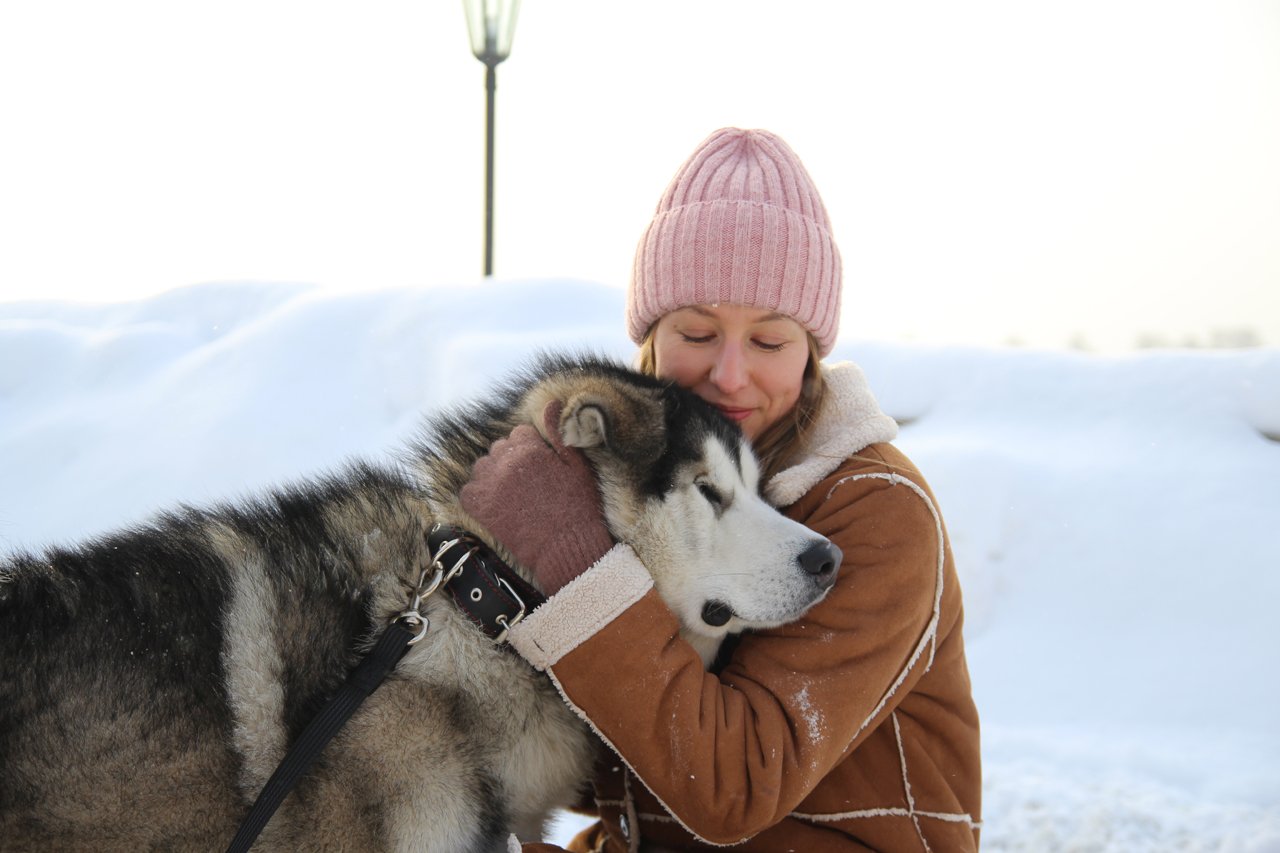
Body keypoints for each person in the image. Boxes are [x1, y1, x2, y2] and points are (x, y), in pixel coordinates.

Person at [462, 128, 982, 851]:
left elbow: (733, 786)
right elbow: (602, 766)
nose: (730, 375)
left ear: (811, 354)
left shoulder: (877, 511)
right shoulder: (636, 485)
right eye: (698, 334)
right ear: (650, 339)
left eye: (769, 342)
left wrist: (580, 568)